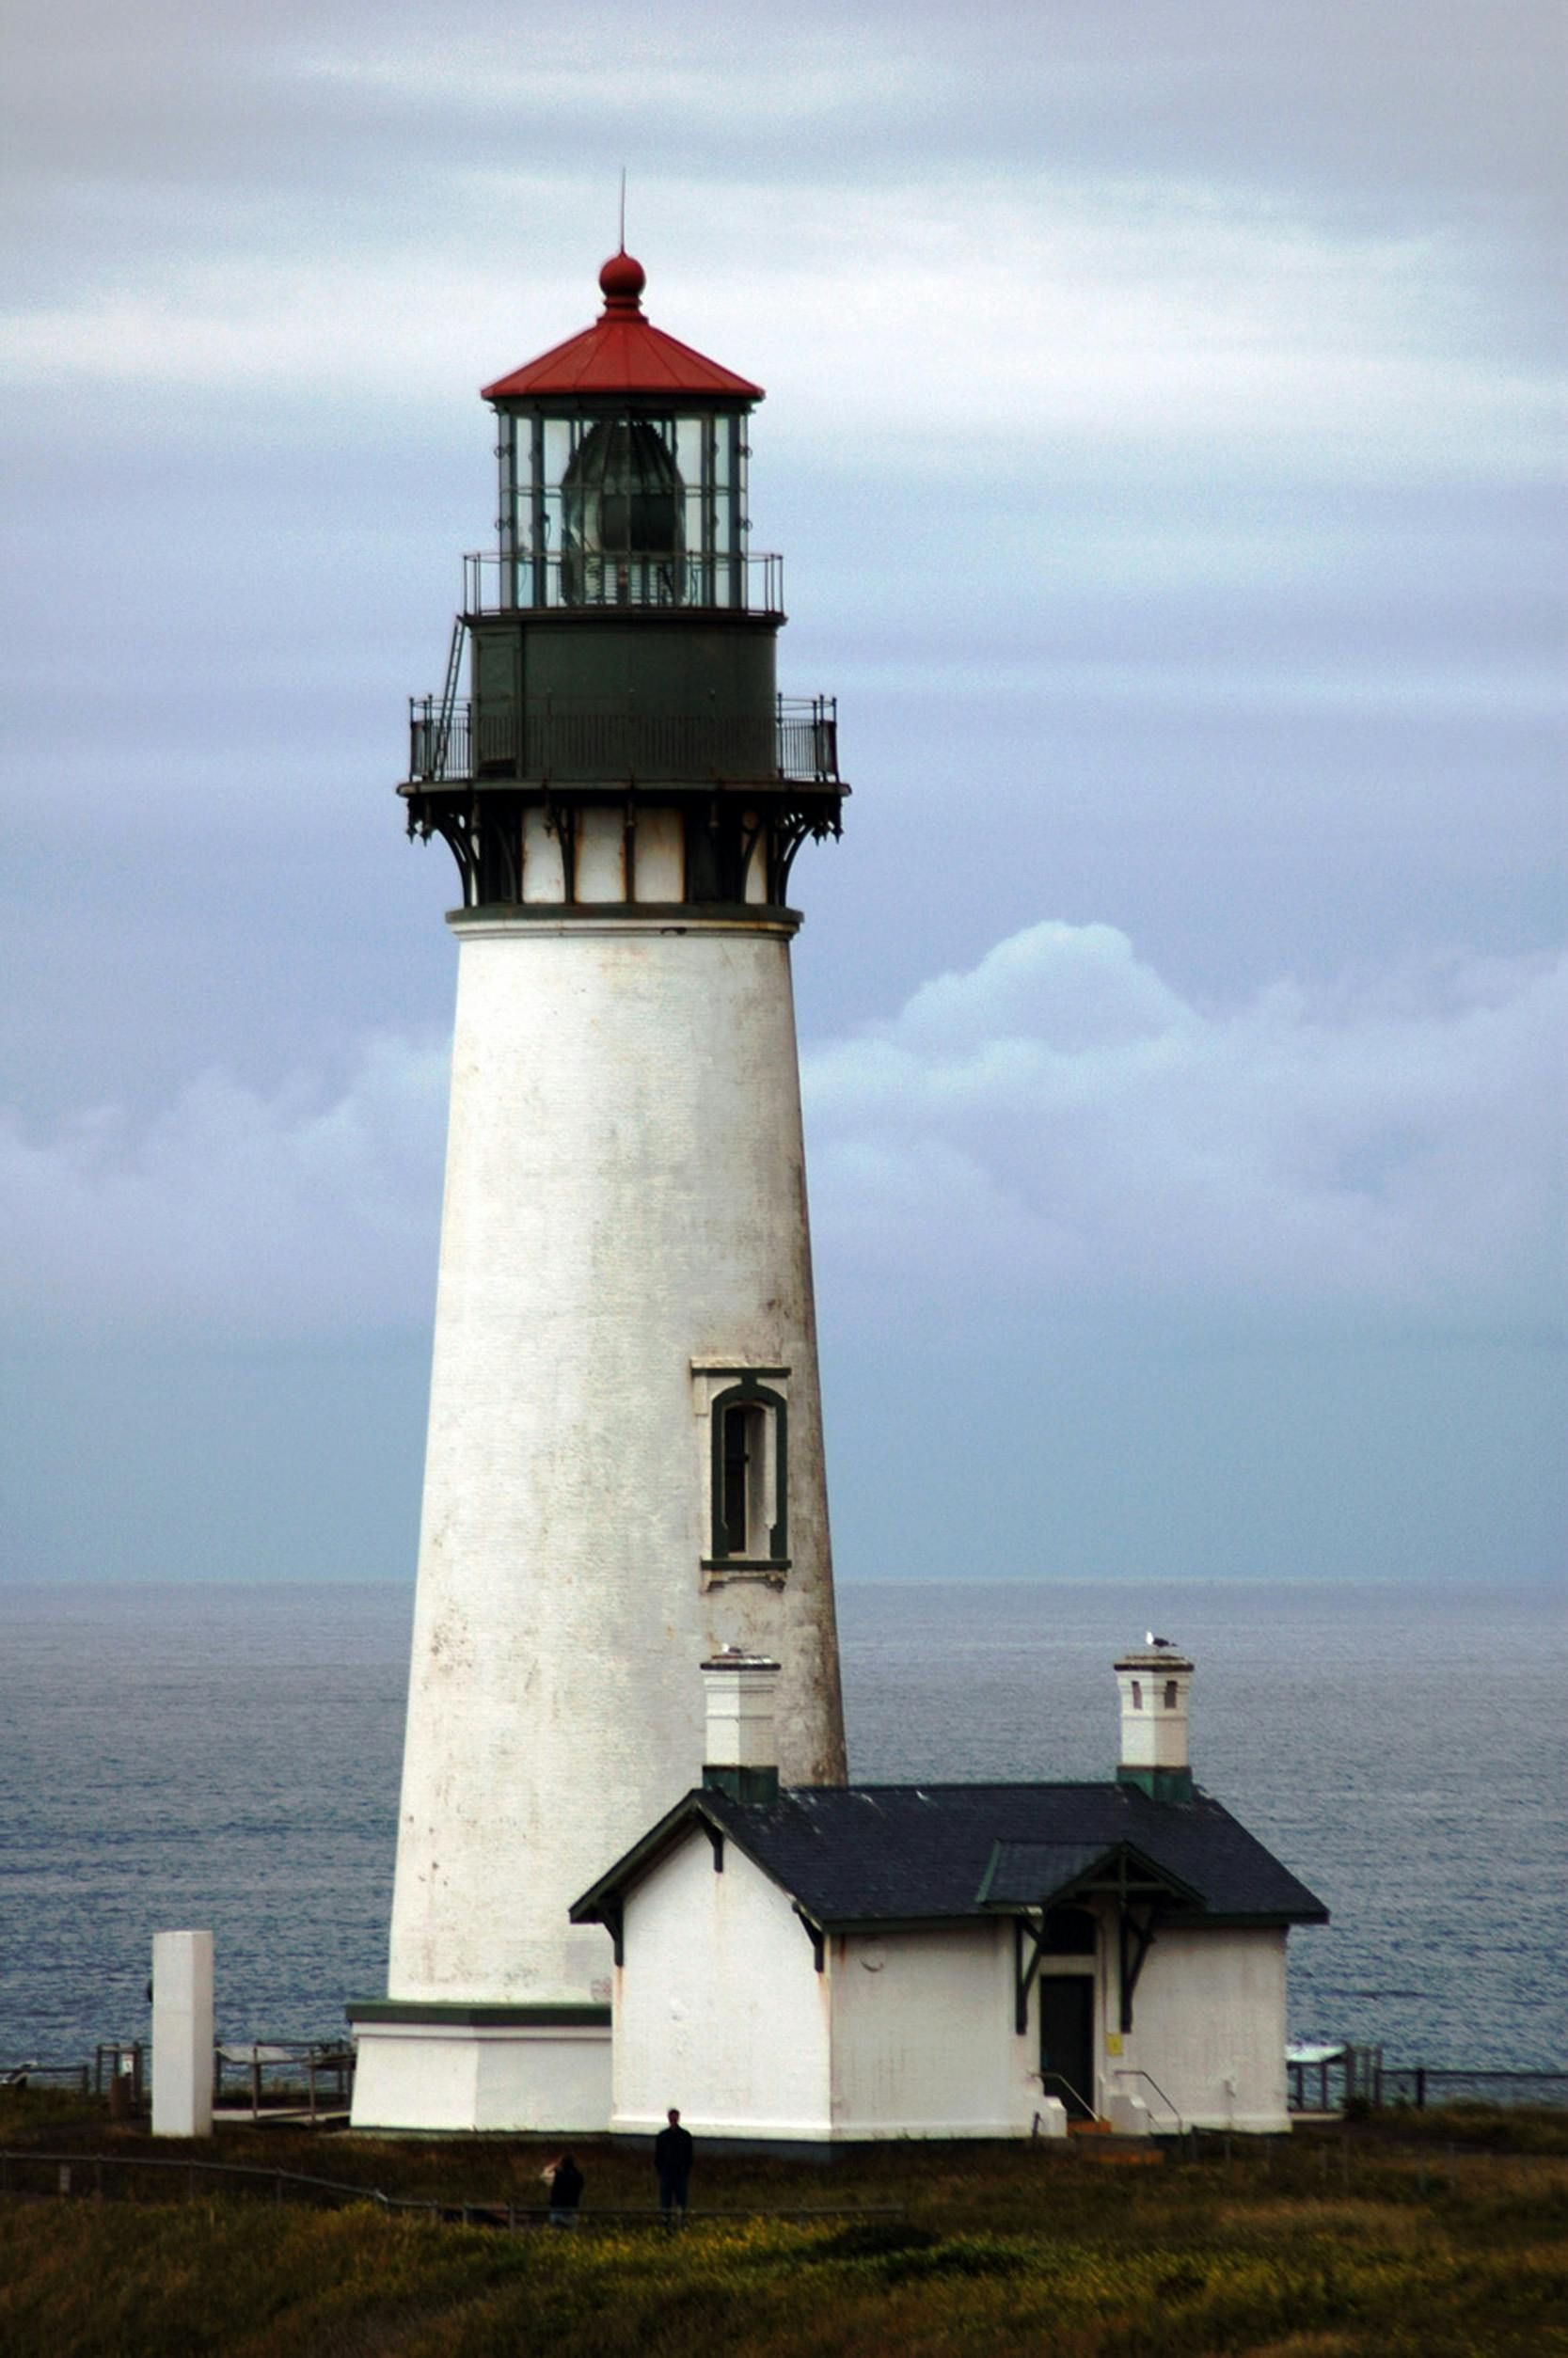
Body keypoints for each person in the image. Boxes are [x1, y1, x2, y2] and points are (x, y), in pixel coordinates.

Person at [654, 2107, 694, 2223]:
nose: (673, 2119)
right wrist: (661, 2171)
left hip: (680, 2174)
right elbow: (658, 2156)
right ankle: (665, 2220)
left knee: (681, 2199)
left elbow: (689, 2155)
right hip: (666, 2173)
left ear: (678, 2118)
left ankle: (682, 2220)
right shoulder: (662, 2136)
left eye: (675, 2116)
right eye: (672, 2116)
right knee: (666, 2199)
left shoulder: (685, 2136)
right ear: (669, 2118)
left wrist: (686, 2170)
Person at [546, 2149, 584, 2228]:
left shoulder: (558, 2176)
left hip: (557, 2209)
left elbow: (544, 2176)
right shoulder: (578, 2176)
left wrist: (555, 2164)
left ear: (562, 2164)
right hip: (571, 2210)